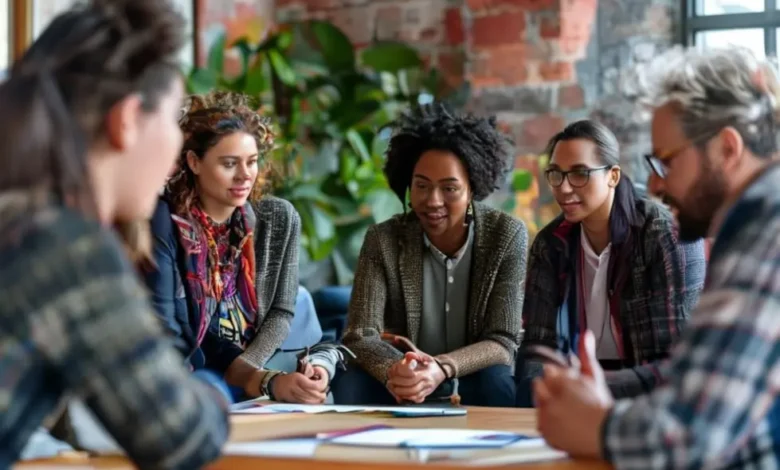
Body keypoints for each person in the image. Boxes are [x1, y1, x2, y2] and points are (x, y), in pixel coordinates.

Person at [0, 0, 229, 468]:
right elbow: (181, 437)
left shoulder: (19, 218)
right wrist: (216, 390)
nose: (175, 147)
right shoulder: (62, 245)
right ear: (126, 121)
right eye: (172, 119)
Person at [533, 46, 780, 468]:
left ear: (726, 148)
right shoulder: (754, 225)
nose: (652, 181)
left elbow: (688, 433)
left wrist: (597, 423)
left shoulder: (765, 231)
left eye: (666, 160)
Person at [144, 90, 348, 405]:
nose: (244, 175)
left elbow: (282, 310)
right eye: (229, 164)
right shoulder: (170, 226)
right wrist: (255, 379)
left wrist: (253, 371)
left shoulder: (278, 219)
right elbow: (178, 328)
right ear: (194, 162)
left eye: (251, 162)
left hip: (259, 366)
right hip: (202, 374)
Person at [331, 103, 527, 407]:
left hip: (469, 375)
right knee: (352, 382)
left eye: (449, 189)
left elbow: (502, 341)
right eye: (421, 186)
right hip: (400, 374)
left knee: (497, 382)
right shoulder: (383, 239)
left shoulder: (506, 235)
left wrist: (442, 367)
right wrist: (395, 371)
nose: (433, 201)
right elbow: (360, 334)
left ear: (472, 189)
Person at [517, 120, 706, 404]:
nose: (564, 188)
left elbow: (671, 363)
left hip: (643, 393)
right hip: (574, 387)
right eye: (556, 174)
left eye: (580, 173)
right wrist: (543, 388)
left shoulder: (662, 235)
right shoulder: (551, 243)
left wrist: (589, 387)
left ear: (613, 176)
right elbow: (535, 346)